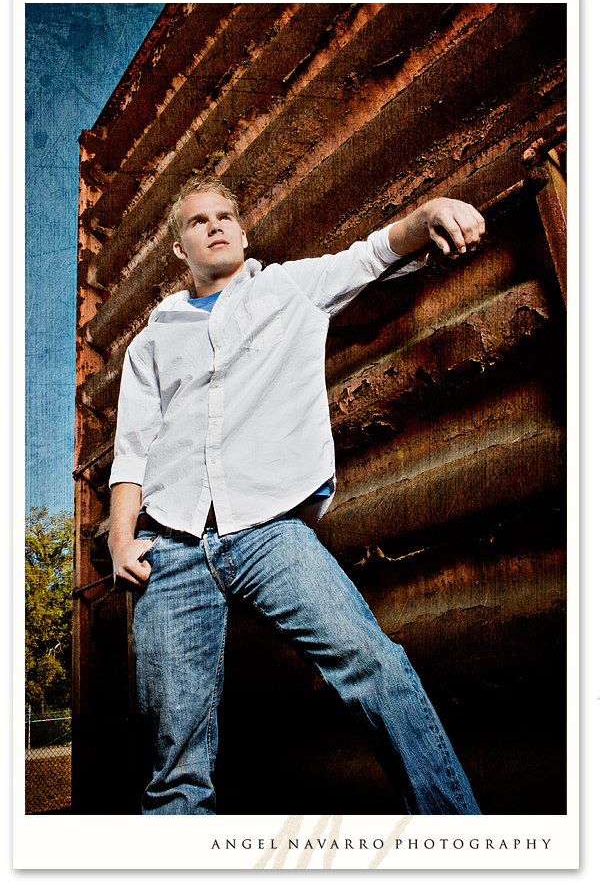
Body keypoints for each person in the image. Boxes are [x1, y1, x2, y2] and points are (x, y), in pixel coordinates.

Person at [108, 176, 485, 816]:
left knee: (378, 670)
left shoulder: (287, 289)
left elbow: (371, 254)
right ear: (180, 247)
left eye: (226, 215)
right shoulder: (153, 337)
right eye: (199, 221)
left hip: (268, 532)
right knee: (176, 762)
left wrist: (428, 214)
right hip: (168, 548)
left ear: (244, 232)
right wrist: (121, 537)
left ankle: (461, 845)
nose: (216, 225)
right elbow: (133, 446)